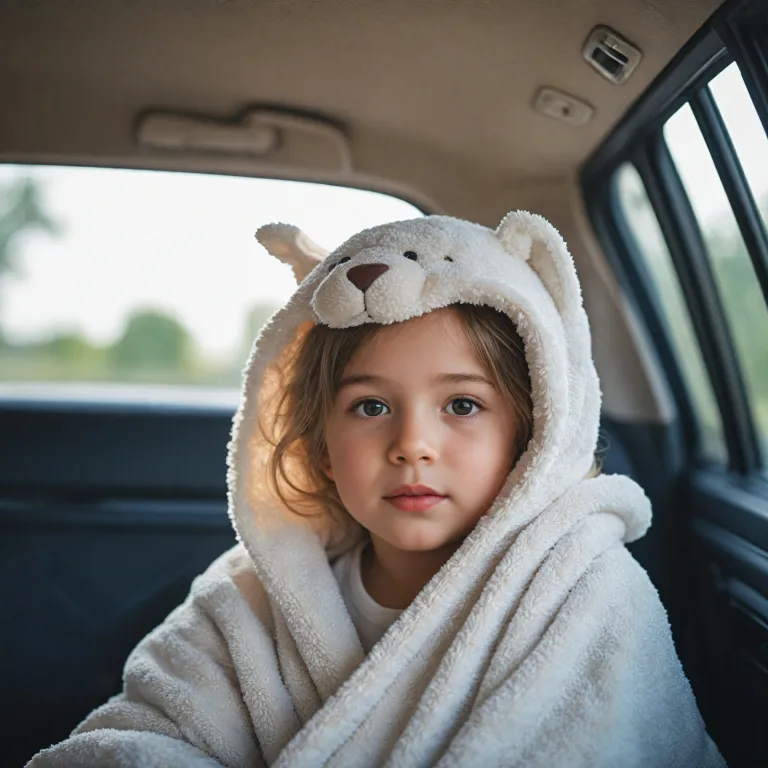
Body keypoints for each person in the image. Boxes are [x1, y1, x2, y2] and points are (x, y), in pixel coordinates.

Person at [29, 211, 726, 767]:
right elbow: (143, 736)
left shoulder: (583, 592)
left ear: (530, 436)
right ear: (322, 450)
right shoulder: (250, 603)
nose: (411, 444)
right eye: (370, 407)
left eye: (462, 405)